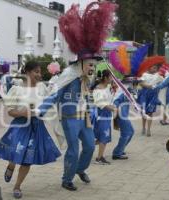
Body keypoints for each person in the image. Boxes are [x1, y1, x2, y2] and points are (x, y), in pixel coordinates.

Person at [37, 1, 117, 191]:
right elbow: (54, 95)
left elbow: (88, 97)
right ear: (80, 63)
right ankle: (67, 178)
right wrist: (39, 111)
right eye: (90, 64)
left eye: (93, 65)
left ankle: (80, 169)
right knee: (74, 149)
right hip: (70, 119)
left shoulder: (87, 79)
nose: (92, 68)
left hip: (85, 119)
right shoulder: (68, 76)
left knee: (89, 146)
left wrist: (92, 112)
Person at [0, 61, 61, 199]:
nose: (39, 75)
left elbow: (49, 102)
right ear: (27, 73)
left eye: (40, 72)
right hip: (20, 125)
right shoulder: (17, 89)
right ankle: (11, 165)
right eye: (36, 72)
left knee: (27, 158)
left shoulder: (42, 88)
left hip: (37, 127)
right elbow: (11, 112)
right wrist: (22, 113)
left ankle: (17, 186)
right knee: (16, 151)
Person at [92, 70, 116, 165]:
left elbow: (109, 99)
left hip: (107, 114)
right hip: (101, 114)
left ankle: (88, 146)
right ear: (105, 78)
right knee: (104, 136)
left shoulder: (108, 87)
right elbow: (99, 103)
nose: (112, 79)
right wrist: (111, 108)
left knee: (103, 137)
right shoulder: (98, 89)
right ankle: (99, 158)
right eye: (110, 77)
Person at [137, 64, 163, 137]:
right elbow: (141, 83)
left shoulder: (158, 75)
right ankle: (143, 127)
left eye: (156, 68)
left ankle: (148, 129)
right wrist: (149, 86)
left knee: (150, 112)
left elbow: (162, 83)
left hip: (153, 96)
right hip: (144, 95)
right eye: (153, 67)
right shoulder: (144, 74)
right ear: (149, 67)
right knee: (144, 112)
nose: (155, 69)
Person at [112, 85, 134, 160]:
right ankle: (117, 153)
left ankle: (120, 149)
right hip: (121, 115)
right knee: (126, 133)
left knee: (131, 132)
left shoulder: (128, 89)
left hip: (124, 115)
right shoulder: (123, 89)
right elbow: (116, 101)